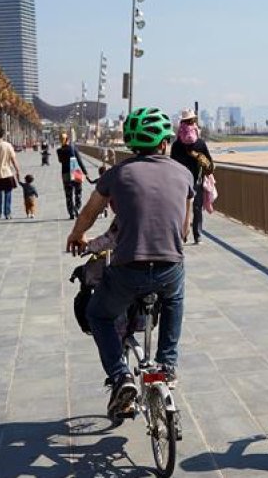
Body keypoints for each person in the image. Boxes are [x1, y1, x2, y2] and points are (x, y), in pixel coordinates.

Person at [66, 107, 194, 418]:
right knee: (174, 299)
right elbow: (184, 230)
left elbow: (90, 212)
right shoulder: (185, 174)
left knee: (99, 314)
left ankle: (121, 375)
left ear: (132, 144)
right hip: (168, 265)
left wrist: (77, 235)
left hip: (127, 269)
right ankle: (167, 363)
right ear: (165, 143)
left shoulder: (117, 174)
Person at [169, 109, 214, 244]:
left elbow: (171, 163)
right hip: (196, 180)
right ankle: (197, 235)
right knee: (197, 209)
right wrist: (201, 160)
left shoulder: (177, 144)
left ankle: (183, 234)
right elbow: (210, 165)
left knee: (181, 209)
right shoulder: (200, 143)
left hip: (180, 182)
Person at [57, 133, 90, 219]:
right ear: (68, 139)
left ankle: (71, 213)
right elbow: (79, 160)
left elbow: (60, 161)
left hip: (65, 173)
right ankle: (77, 208)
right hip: (75, 171)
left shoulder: (59, 151)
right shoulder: (73, 148)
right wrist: (85, 172)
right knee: (78, 192)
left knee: (68, 194)